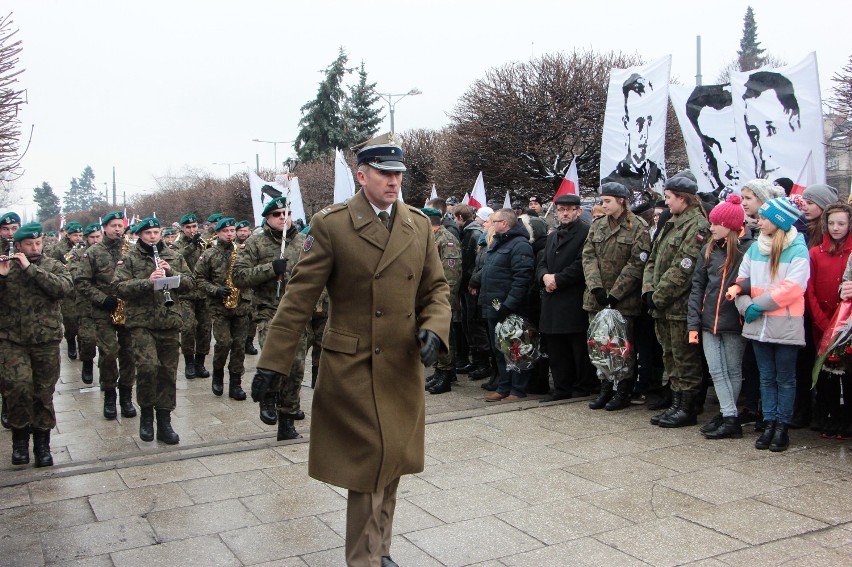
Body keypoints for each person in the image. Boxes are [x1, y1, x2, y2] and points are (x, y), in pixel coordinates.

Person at [251, 139, 451, 567]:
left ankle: (380, 549)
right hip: (354, 365)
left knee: (392, 461)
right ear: (362, 176)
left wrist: (435, 328)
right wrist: (272, 363)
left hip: (401, 363)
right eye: (385, 173)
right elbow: (298, 301)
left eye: (399, 174)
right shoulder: (332, 225)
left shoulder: (417, 225)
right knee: (370, 464)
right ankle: (364, 559)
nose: (394, 181)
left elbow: (436, 289)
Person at [729, 197, 810, 451]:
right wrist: (744, 306)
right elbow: (741, 280)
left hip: (784, 324)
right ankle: (769, 421)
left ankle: (781, 426)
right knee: (766, 377)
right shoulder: (755, 248)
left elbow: (793, 288)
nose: (759, 221)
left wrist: (757, 305)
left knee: (785, 378)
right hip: (758, 323)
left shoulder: (797, 249)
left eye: (764, 218)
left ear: (779, 221)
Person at [113, 217, 194, 444]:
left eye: (156, 232)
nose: (152, 236)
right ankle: (146, 414)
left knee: (167, 372)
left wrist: (172, 273)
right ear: (140, 235)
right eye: (147, 232)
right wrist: (147, 282)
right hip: (142, 322)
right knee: (148, 367)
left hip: (169, 321)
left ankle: (165, 420)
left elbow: (191, 283)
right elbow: (118, 287)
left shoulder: (173, 256)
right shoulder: (130, 259)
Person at [232, 197, 307, 439]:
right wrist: (269, 269)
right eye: (277, 214)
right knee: (275, 360)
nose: (283, 217)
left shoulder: (303, 241)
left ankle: (287, 418)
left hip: (296, 311)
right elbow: (239, 277)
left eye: (286, 213)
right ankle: (268, 396)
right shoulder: (255, 243)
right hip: (268, 310)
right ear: (267, 218)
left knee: (296, 366)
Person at [0, 222, 73, 466]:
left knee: (43, 393)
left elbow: (63, 288)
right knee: (17, 388)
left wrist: (31, 269)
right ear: (17, 245)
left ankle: (42, 444)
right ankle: (20, 441)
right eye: (28, 244)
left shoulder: (51, 265)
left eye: (38, 243)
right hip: (12, 340)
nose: (34, 248)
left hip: (45, 340)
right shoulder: (6, 266)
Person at [643, 174, 710, 428]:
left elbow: (684, 267)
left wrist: (658, 296)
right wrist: (648, 290)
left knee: (685, 359)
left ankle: (688, 408)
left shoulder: (697, 226)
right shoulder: (673, 221)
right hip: (662, 305)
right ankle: (676, 404)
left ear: (682, 198)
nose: (666, 202)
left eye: (669, 198)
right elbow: (653, 258)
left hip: (679, 306)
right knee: (670, 356)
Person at [688, 195, 753, 439]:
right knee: (717, 370)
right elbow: (698, 288)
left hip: (734, 321)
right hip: (708, 322)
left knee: (732, 370)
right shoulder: (709, 249)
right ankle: (729, 416)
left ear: (730, 226)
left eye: (716, 223)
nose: (711, 227)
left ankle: (729, 417)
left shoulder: (748, 250)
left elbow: (751, 283)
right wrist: (693, 322)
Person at [583, 182, 652, 409]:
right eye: (602, 201)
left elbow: (637, 264)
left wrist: (614, 294)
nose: (603, 205)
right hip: (597, 298)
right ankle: (604, 386)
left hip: (623, 300)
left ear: (621, 200)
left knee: (621, 345)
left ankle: (622, 390)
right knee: (599, 344)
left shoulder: (638, 227)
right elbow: (588, 256)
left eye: (607, 201)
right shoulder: (598, 226)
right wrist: (596, 288)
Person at [75, 211, 137, 420]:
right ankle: (109, 395)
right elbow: (82, 282)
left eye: (120, 225)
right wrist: (103, 299)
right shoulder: (93, 252)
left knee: (129, 354)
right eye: (113, 225)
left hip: (128, 309)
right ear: (104, 228)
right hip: (103, 310)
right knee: (109, 353)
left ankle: (127, 397)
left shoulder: (132, 250)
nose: (117, 229)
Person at [538, 194, 593, 401]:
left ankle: (581, 385)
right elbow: (543, 261)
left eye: (569, 209)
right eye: (561, 210)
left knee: (576, 347)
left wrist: (558, 280)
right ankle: (561, 387)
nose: (565, 213)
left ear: (578, 211)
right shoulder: (552, 235)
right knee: (555, 347)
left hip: (572, 297)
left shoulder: (586, 232)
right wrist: (544, 277)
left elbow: (582, 264)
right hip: (551, 299)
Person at [478, 209, 535, 401]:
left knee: (515, 348)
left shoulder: (520, 245)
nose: (491, 224)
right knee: (499, 349)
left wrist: (508, 305)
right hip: (494, 305)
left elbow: (522, 279)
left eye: (495, 221)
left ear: (505, 223)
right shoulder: (498, 242)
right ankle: (504, 387)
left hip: (511, 309)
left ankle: (517, 389)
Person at [806, 203, 852, 438]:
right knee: (826, 373)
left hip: (848, 325)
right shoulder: (816, 252)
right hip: (823, 324)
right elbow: (810, 290)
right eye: (832, 223)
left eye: (841, 223)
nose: (836, 228)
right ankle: (829, 415)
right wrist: (823, 323)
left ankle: (847, 418)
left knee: (847, 373)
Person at [195, 217, 250, 400]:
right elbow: (199, 279)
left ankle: (236, 383)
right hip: (219, 306)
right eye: (225, 231)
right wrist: (215, 290)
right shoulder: (209, 254)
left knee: (239, 345)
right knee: (224, 343)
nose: (230, 234)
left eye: (232, 231)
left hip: (241, 305)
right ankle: (218, 373)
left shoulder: (242, 251)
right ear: (217, 233)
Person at [602, 73, 665, 205]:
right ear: (626, 122)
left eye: (649, 121)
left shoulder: (660, 177)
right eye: (639, 122)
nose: (644, 131)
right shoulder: (610, 181)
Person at [422, 207, 462, 395]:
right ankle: (440, 370)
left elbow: (451, 275)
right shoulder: (433, 238)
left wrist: (444, 301)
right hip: (432, 296)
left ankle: (446, 374)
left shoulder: (447, 240)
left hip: (443, 298)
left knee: (444, 334)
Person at [455, 204, 492, 380]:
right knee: (469, 324)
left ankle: (484, 362)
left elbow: (482, 265)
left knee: (476, 325)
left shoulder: (475, 234)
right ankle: (478, 360)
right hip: (469, 285)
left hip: (474, 287)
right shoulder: (475, 234)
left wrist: (472, 281)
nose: (482, 224)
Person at [173, 213, 212, 380]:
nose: (192, 230)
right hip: (185, 294)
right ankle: (189, 361)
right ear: (182, 228)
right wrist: (191, 246)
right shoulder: (177, 245)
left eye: (194, 226)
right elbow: (175, 259)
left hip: (203, 293)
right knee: (188, 328)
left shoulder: (204, 243)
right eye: (188, 227)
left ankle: (200, 362)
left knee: (204, 329)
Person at [68, 223, 103, 384]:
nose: (95, 240)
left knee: (108, 343)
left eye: (98, 236)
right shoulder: (78, 254)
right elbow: (76, 274)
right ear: (87, 239)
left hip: (105, 302)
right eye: (92, 237)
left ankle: (106, 372)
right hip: (86, 302)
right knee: (88, 339)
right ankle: (87, 362)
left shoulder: (107, 252)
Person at [49, 222, 85, 360]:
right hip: (68, 290)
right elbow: (51, 265)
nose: (78, 238)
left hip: (81, 288)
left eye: (80, 235)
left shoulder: (85, 247)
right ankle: (70, 341)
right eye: (75, 235)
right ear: (68, 235)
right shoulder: (59, 249)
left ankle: (83, 347)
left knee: (83, 322)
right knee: (70, 320)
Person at [235, 220, 259, 355]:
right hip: (239, 287)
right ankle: (240, 341)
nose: (243, 233)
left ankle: (249, 342)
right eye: (240, 231)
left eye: (245, 230)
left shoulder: (254, 244)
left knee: (252, 318)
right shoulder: (234, 246)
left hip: (252, 286)